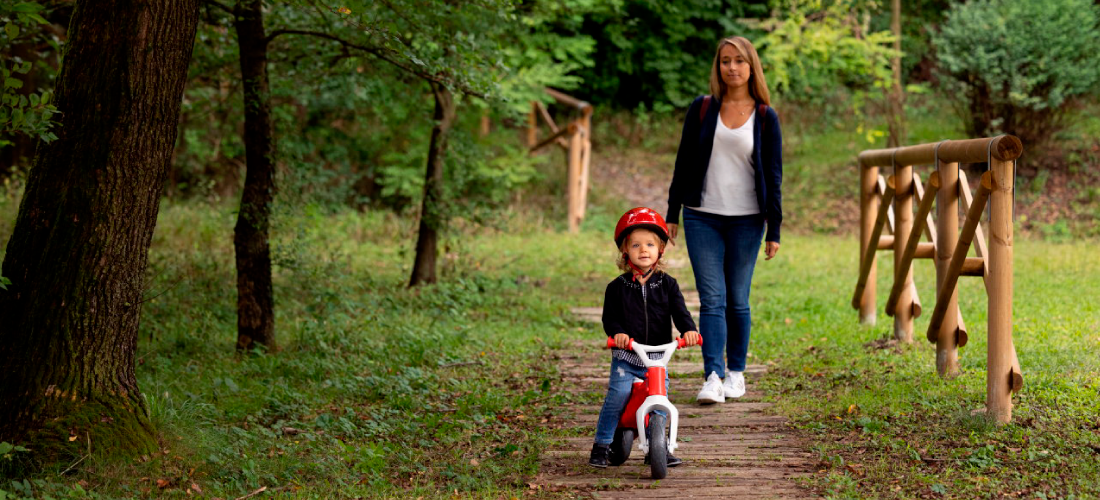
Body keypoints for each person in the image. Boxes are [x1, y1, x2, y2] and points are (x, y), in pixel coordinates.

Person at [665, 36, 783, 404]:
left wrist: (774, 228)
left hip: (748, 220)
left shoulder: (765, 116)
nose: (731, 68)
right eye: (725, 61)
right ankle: (713, 376)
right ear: (718, 67)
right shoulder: (702, 109)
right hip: (702, 216)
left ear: (751, 66)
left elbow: (774, 175)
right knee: (711, 299)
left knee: (738, 300)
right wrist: (672, 215)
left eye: (739, 61)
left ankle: (736, 373)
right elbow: (683, 164)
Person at [589, 207, 702, 468]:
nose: (643, 250)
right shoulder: (616, 287)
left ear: (660, 248)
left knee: (661, 400)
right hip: (627, 356)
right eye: (636, 244)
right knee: (617, 397)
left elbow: (680, 312)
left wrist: (689, 330)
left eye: (650, 244)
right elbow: (610, 318)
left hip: (657, 358)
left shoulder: (668, 284)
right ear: (625, 250)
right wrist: (617, 334)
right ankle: (602, 446)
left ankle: (657, 448)